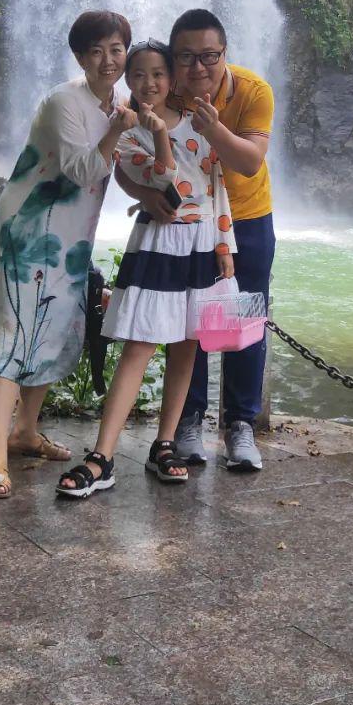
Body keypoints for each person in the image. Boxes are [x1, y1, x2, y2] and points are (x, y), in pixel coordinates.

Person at [56, 39, 237, 499]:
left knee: (187, 347)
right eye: (138, 75)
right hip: (158, 245)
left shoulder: (199, 126)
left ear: (172, 78)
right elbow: (162, 181)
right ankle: (103, 456)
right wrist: (158, 134)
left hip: (200, 245)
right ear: (127, 81)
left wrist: (224, 244)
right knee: (139, 347)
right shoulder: (127, 133)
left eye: (158, 74)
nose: (149, 83)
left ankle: (164, 445)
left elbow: (216, 189)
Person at [0, 11, 136, 499]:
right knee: (13, 332)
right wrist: (119, 128)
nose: (108, 60)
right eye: (96, 51)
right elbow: (83, 171)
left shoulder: (118, 104)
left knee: (51, 328)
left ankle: (26, 432)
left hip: (71, 237)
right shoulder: (64, 102)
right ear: (79, 57)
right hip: (29, 230)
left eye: (116, 49)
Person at [118, 9, 274, 473]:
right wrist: (145, 195)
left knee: (243, 318)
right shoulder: (166, 93)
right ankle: (188, 420)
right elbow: (128, 159)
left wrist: (214, 128)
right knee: (189, 322)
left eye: (210, 56)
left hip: (246, 218)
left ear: (224, 53)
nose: (199, 67)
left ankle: (240, 424)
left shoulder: (251, 90)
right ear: (173, 59)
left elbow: (249, 162)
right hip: (187, 226)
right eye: (186, 57)